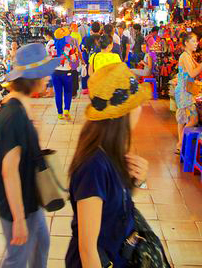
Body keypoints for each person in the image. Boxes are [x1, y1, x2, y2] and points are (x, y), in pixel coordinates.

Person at [66, 62, 165, 268]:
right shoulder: (94, 166)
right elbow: (88, 249)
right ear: (123, 114)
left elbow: (112, 210)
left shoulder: (111, 151)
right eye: (136, 104)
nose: (140, 108)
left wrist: (134, 183)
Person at [0, 43, 57, 268]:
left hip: (31, 196)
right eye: (44, 74)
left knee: (41, 243)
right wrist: (19, 218)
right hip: (18, 203)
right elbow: (8, 171)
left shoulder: (19, 106)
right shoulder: (14, 115)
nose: (48, 78)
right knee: (16, 259)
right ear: (33, 77)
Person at [174, 32, 202, 153]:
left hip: (185, 90)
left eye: (196, 41)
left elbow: (198, 68)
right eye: (193, 41)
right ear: (186, 43)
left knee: (182, 120)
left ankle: (180, 145)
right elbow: (193, 73)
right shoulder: (184, 56)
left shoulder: (189, 55)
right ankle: (180, 143)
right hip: (184, 92)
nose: (196, 43)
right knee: (193, 119)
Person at [51, 27, 79, 121]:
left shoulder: (51, 46)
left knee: (58, 93)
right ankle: (66, 109)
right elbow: (74, 59)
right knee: (67, 92)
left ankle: (59, 114)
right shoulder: (68, 46)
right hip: (66, 72)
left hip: (55, 72)